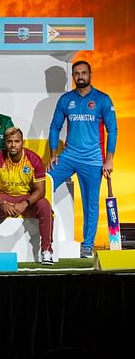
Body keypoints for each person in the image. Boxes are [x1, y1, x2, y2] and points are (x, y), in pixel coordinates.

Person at [48, 60, 117, 258]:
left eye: (83, 73)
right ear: (73, 76)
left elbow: (112, 129)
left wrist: (109, 159)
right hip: (69, 156)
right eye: (76, 73)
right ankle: (43, 240)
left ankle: (88, 245)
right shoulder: (66, 99)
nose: (80, 76)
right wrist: (54, 153)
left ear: (90, 74)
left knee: (90, 203)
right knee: (43, 185)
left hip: (93, 159)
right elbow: (54, 127)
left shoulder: (103, 99)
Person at [0, 127, 54, 264]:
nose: (13, 145)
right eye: (9, 142)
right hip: (4, 198)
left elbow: (41, 191)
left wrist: (25, 203)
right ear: (5, 143)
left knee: (45, 205)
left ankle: (46, 250)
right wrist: (3, 203)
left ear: (22, 142)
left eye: (17, 141)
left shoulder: (33, 159)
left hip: (26, 198)